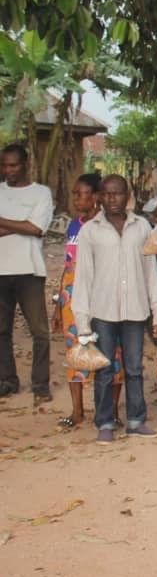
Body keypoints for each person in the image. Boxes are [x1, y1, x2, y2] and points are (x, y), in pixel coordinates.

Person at [71, 176, 157, 444]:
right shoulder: (91, 230)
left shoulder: (142, 227)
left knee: (134, 368)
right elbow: (84, 277)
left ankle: (136, 420)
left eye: (118, 194)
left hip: (135, 310)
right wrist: (83, 322)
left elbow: (151, 272)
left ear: (127, 196)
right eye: (108, 194)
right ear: (100, 196)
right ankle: (105, 422)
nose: (113, 199)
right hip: (102, 312)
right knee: (104, 369)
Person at [53, 174, 123, 430]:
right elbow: (68, 264)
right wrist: (59, 302)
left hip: (101, 291)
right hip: (72, 294)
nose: (75, 199)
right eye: (74, 193)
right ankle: (78, 411)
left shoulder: (106, 226)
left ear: (95, 197)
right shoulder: (73, 225)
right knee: (76, 350)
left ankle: (112, 411)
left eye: (79, 193)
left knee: (111, 350)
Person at [0, 143, 54, 404]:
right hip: (1, 269)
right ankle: (8, 380)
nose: (8, 170)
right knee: (2, 330)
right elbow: (29, 225)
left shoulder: (41, 193)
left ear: (25, 164)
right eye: (4, 165)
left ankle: (40, 384)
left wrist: (8, 224)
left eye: (13, 165)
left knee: (39, 331)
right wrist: (21, 225)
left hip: (30, 270)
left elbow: (36, 229)